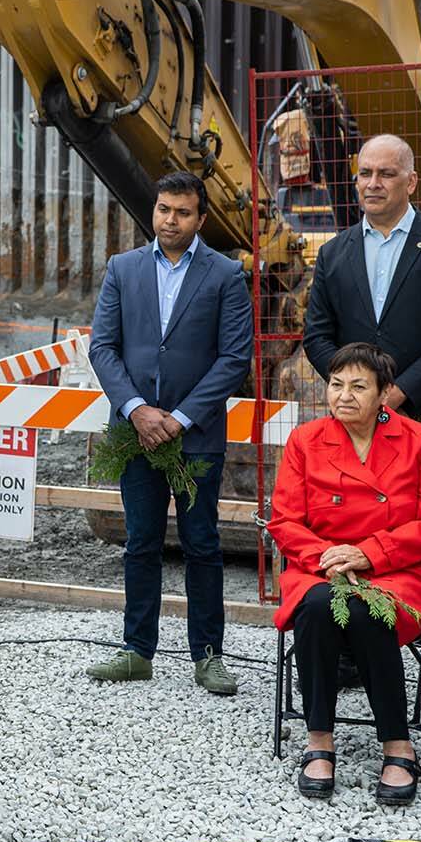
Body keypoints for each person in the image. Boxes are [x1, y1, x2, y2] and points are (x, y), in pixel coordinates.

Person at [302, 134, 421, 710]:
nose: (372, 184)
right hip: (352, 426)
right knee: (351, 532)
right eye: (364, 174)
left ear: (411, 182)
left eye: (385, 173)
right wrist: (353, 392)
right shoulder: (334, 254)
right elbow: (316, 335)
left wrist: (397, 393)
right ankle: (357, 646)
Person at [85, 171, 253, 694]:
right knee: (140, 542)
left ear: (201, 219)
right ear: (153, 212)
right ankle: (137, 650)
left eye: (181, 212)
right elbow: (103, 348)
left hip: (195, 435)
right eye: (163, 210)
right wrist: (137, 410)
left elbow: (233, 359)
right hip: (135, 433)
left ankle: (208, 655)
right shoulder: (123, 268)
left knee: (202, 543)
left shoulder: (225, 274)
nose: (170, 220)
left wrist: (178, 418)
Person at [269, 343, 421, 807]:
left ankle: (397, 743)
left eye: (358, 386)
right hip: (320, 565)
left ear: (385, 393)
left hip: (399, 570)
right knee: (317, 605)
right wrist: (330, 557)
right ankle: (318, 739)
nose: (344, 396)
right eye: (336, 384)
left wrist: (369, 554)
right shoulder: (306, 440)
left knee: (371, 608)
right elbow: (285, 521)